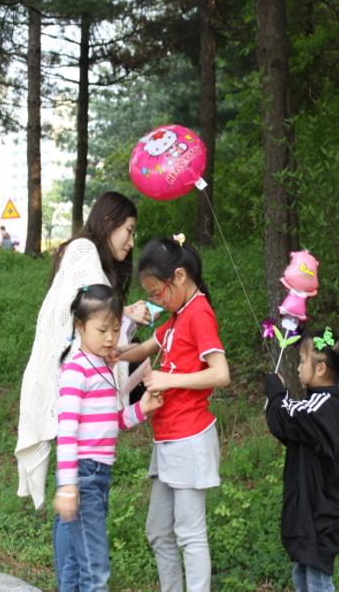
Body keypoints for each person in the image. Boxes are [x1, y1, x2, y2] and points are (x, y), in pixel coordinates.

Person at [15, 191, 151, 509]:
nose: (131, 242)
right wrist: (126, 315)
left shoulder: (89, 258)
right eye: (129, 230)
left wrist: (125, 316)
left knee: (78, 500)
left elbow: (90, 317)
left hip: (90, 414)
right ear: (109, 221)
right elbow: (78, 314)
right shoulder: (83, 251)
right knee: (79, 496)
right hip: (79, 397)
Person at [115, 234, 230, 592]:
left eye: (157, 292)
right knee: (158, 531)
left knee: (190, 534)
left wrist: (170, 379)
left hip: (190, 437)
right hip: (167, 437)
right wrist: (109, 350)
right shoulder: (178, 316)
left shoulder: (199, 313)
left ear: (179, 277)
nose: (156, 301)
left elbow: (221, 373)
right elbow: (144, 349)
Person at [53, 284, 163, 592]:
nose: (110, 339)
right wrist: (68, 485)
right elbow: (67, 433)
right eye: (102, 330)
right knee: (95, 569)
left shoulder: (103, 367)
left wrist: (141, 409)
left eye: (116, 330)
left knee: (77, 561)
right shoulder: (76, 371)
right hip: (83, 475)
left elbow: (111, 421)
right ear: (80, 326)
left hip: (99, 475)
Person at [264, 325, 339, 592]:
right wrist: (298, 335)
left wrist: (276, 392)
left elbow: (284, 418)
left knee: (317, 582)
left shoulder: (321, 408)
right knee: (302, 577)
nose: (299, 368)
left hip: (320, 518)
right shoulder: (319, 404)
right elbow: (290, 426)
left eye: (303, 361)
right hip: (308, 515)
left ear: (321, 369)